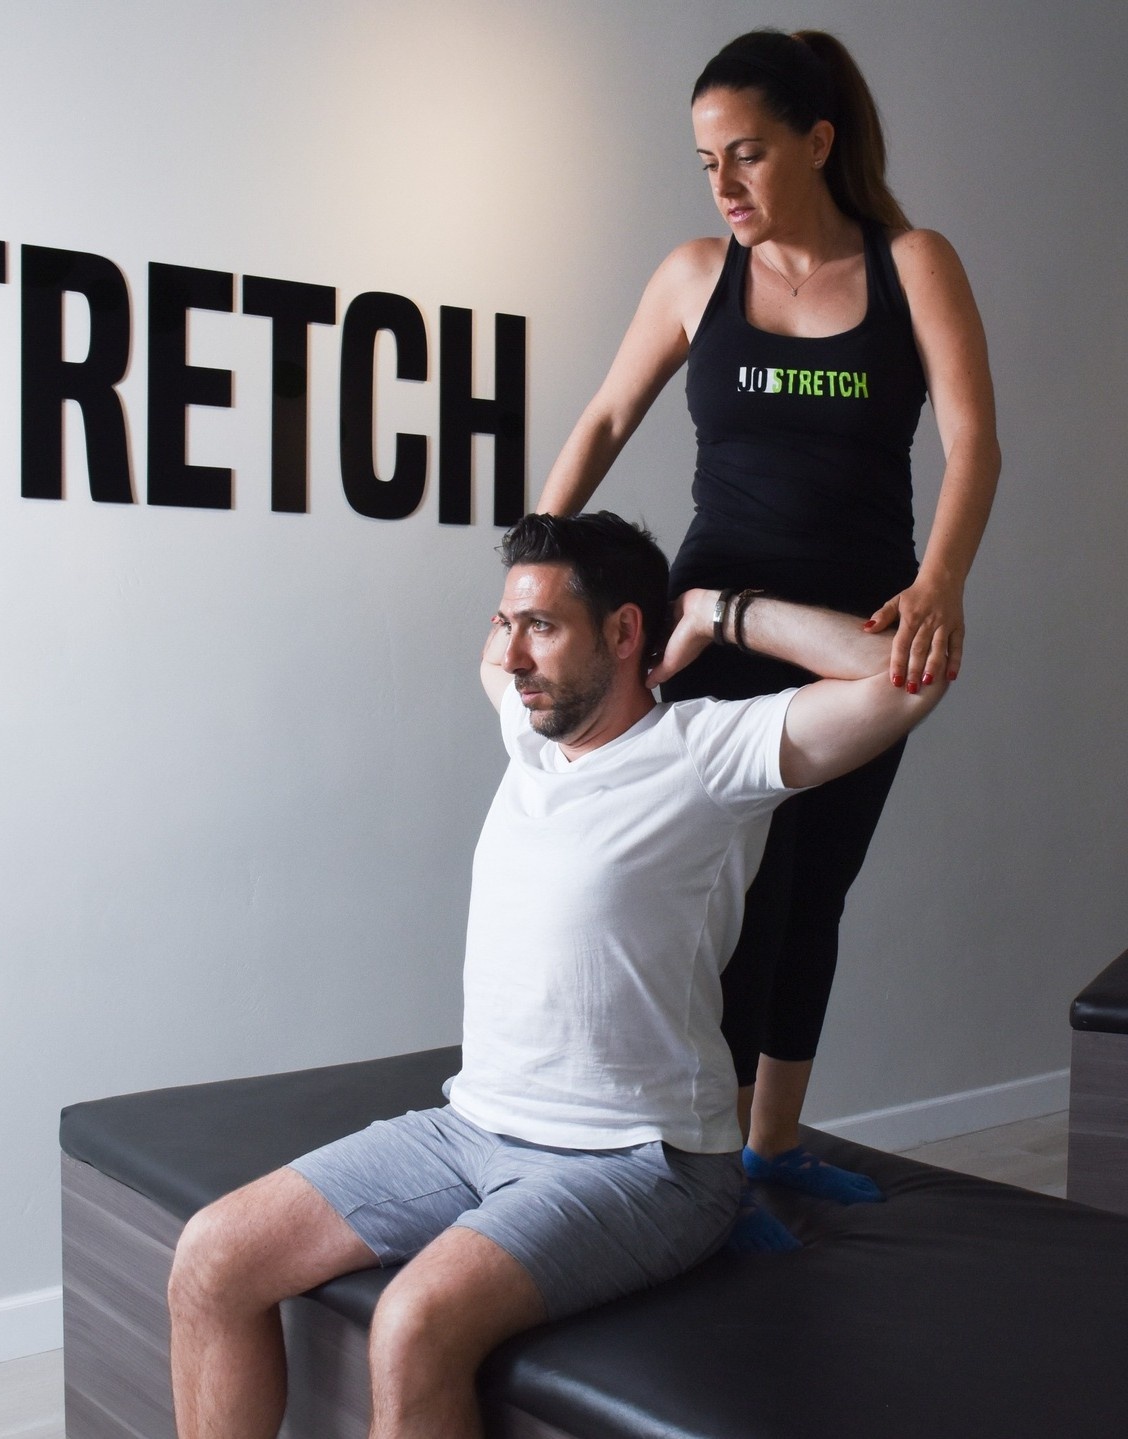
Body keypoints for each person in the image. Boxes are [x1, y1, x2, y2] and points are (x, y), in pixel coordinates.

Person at [167, 511, 950, 1439]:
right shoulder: (527, 733)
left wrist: (713, 610)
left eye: (541, 626)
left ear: (624, 632)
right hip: (470, 1129)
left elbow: (910, 676)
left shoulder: (711, 754)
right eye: (507, 623)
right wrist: (539, 566)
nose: (512, 654)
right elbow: (503, 651)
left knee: (412, 1323)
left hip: (640, 1163)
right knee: (212, 1254)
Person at [534, 29, 1000, 1233]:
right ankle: (702, 1158)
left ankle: (770, 1145)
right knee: (736, 888)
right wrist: (535, 562)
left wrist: (941, 581)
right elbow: (606, 413)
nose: (723, 185)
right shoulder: (695, 275)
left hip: (854, 626)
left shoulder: (911, 265)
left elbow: (972, 439)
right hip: (709, 627)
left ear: (817, 141)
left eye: (745, 154)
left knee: (818, 882)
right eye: (706, 163)